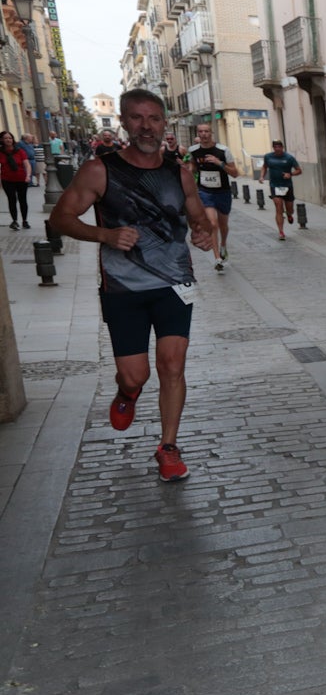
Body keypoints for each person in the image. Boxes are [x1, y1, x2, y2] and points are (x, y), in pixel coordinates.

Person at [46, 88, 216, 483]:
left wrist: (203, 233)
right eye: (137, 118)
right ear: (123, 122)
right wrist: (104, 235)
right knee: (135, 375)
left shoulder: (179, 172)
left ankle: (168, 447)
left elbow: (196, 217)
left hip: (174, 282)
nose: (146, 126)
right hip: (123, 288)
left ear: (164, 123)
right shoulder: (99, 170)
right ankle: (127, 393)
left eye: (154, 118)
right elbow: (60, 218)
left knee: (173, 365)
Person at [188, 123, 239, 272]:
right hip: (205, 192)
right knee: (212, 223)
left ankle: (223, 245)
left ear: (211, 133)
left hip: (222, 191)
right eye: (200, 131)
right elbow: (193, 167)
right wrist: (187, 169)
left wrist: (219, 163)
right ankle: (217, 258)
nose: (203, 134)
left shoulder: (223, 150)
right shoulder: (193, 151)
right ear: (198, 134)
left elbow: (235, 173)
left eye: (206, 131)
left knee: (223, 226)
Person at [259, 139, 301, 240]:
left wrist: (290, 174)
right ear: (273, 148)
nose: (277, 149)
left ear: (282, 147)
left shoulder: (289, 158)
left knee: (289, 208)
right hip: (274, 185)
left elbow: (299, 170)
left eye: (279, 147)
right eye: (275, 147)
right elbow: (264, 167)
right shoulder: (268, 157)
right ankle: (281, 232)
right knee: (278, 207)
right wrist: (261, 176)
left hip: (287, 186)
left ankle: (289, 214)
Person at [1, 131, 32, 229]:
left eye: (10, 138)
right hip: (7, 180)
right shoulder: (1, 152)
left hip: (21, 179)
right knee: (12, 200)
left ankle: (24, 221)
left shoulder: (20, 151)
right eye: (5, 138)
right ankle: (14, 221)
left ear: (12, 139)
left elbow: (27, 164)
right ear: (1, 140)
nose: (8, 140)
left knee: (23, 200)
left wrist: (28, 175)